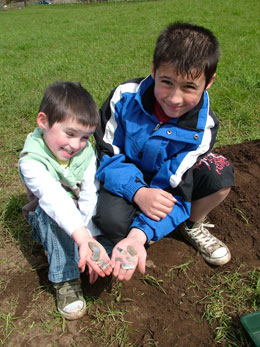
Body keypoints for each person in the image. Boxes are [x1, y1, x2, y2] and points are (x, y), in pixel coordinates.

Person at [92, 22, 234, 282]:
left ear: (209, 82)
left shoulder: (204, 128)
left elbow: (177, 187)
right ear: (153, 70)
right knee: (111, 221)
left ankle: (191, 224)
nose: (174, 98)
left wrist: (137, 236)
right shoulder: (122, 97)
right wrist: (138, 192)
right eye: (166, 82)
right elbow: (106, 157)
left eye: (189, 87)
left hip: (168, 185)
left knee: (219, 174)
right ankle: (154, 221)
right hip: (127, 175)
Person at [19, 81, 112, 320]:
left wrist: (89, 240)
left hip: (80, 217)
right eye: (70, 134)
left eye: (84, 137)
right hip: (48, 218)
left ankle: (90, 255)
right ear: (43, 121)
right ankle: (66, 278)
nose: (76, 144)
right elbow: (54, 200)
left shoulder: (85, 153)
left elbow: (91, 193)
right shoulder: (31, 160)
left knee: (107, 202)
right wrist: (82, 238)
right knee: (53, 215)